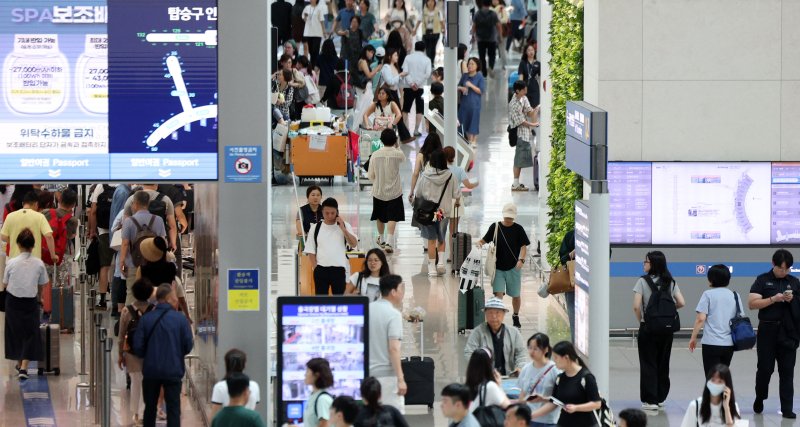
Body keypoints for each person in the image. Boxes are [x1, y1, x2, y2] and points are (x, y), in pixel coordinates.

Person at [748, 248, 800, 418]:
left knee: (787, 371)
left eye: (787, 269)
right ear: (773, 264)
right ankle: (760, 397)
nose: (783, 272)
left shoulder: (794, 282)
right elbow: (752, 304)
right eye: (780, 268)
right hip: (767, 330)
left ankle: (787, 407)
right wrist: (773, 299)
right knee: (765, 369)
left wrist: (793, 299)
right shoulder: (762, 280)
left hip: (788, 332)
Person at [133, 284, 193, 427]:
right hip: (173, 370)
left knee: (149, 408)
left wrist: (149, 356)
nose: (176, 300)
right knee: (173, 409)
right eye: (174, 297)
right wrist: (176, 354)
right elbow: (188, 345)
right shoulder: (180, 320)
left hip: (151, 370)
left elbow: (138, 347)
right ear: (168, 298)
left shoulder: (146, 319)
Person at [632, 250, 686, 411]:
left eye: (646, 261)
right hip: (666, 329)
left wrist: (643, 319)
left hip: (648, 328)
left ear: (653, 264)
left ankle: (650, 400)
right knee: (663, 362)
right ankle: (661, 397)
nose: (644, 264)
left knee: (648, 363)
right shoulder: (670, 282)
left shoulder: (642, 281)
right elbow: (681, 302)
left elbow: (636, 306)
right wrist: (665, 312)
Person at [2, 229, 48, 380]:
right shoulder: (39, 263)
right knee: (30, 333)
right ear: (33, 246)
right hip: (30, 301)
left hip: (12, 301)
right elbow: (42, 284)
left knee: (14, 332)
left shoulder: (11, 263)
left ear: (18, 245)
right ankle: (24, 367)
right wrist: (40, 298)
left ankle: (19, 363)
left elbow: (5, 284)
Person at [476, 203, 530, 328]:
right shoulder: (495, 227)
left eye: (510, 217)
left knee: (516, 295)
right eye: (507, 216)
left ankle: (515, 315)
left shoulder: (518, 229)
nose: (508, 219)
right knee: (498, 295)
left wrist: (521, 260)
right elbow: (484, 240)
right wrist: (478, 245)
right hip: (498, 268)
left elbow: (523, 247)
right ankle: (498, 319)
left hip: (514, 268)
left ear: (514, 216)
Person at [529, 341, 601, 427]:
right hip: (564, 423)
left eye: (556, 358)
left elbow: (597, 404)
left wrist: (576, 408)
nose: (554, 361)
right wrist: (531, 414)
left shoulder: (586, 377)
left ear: (566, 357)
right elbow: (554, 402)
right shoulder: (560, 378)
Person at [413, 150, 460, 277]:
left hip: (428, 212)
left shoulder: (425, 175)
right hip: (443, 213)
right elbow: (456, 194)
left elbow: (418, 194)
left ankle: (432, 269)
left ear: (432, 161)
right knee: (441, 238)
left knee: (431, 240)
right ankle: (441, 264)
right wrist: (456, 201)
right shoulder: (450, 176)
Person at [688, 264, 739, 376]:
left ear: (711, 279)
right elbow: (739, 317)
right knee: (722, 378)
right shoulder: (735, 295)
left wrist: (693, 338)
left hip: (711, 343)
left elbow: (701, 318)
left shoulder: (708, 294)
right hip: (729, 344)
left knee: (712, 378)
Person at [117, 279, 155, 425]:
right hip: (150, 352)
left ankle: (135, 414)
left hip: (131, 352)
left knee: (135, 382)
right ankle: (144, 411)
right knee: (147, 382)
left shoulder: (126, 311)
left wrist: (120, 355)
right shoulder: (154, 310)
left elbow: (121, 335)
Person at [303, 197, 358, 295]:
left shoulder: (345, 225)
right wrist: (316, 268)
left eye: (333, 213)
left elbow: (354, 244)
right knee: (321, 300)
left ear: (337, 212)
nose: (330, 216)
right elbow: (311, 251)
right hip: (321, 269)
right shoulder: (315, 228)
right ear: (322, 212)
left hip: (339, 269)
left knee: (339, 300)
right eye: (327, 213)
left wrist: (343, 229)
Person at [119, 191, 166, 304]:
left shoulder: (128, 221)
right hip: (154, 264)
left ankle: (132, 314)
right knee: (154, 295)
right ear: (147, 203)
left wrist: (122, 264)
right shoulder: (158, 220)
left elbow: (125, 244)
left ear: (135, 204)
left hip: (133, 264)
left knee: (131, 294)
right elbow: (163, 242)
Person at [368, 275, 407, 412]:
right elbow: (394, 348)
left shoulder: (367, 309)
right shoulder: (393, 314)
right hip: (387, 377)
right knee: (391, 416)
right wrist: (400, 379)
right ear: (393, 292)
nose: (402, 293)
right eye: (401, 289)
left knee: (371, 415)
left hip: (367, 375)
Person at [464, 297, 528, 376]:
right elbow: (469, 353)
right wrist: (480, 369)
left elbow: (521, 353)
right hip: (485, 377)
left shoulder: (514, 333)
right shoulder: (477, 332)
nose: (494, 316)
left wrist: (520, 367)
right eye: (490, 313)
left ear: (503, 314)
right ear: (485, 314)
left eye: (497, 312)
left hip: (509, 377)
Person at [368, 129, 406, 253]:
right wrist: (397, 145)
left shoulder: (375, 155)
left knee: (379, 216)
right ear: (395, 140)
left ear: (381, 140)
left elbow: (370, 175)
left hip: (379, 191)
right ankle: (389, 242)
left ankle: (382, 239)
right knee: (392, 216)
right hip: (394, 191)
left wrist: (376, 181)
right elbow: (403, 158)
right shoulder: (398, 154)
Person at [0, 191, 56, 262]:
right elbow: (49, 236)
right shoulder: (40, 217)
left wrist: (15, 241)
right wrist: (53, 255)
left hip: (14, 260)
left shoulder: (10, 216)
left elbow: (3, 237)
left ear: (23, 203)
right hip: (34, 260)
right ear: (36, 204)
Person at [518, 333, 559, 426]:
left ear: (546, 350)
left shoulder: (555, 370)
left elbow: (557, 400)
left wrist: (532, 415)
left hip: (547, 421)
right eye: (530, 348)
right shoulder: (526, 369)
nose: (532, 352)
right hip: (529, 420)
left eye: (536, 349)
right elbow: (523, 394)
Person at [210, 348, 262, 418]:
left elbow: (214, 415)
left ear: (226, 364)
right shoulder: (254, 386)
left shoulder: (219, 387)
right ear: (244, 365)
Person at [508, 80, 539, 191]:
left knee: (520, 159)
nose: (526, 91)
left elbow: (529, 112)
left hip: (525, 134)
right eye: (524, 89)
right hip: (519, 135)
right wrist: (534, 124)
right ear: (518, 91)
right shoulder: (513, 104)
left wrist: (535, 110)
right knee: (518, 159)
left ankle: (516, 183)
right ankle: (515, 184)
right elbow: (521, 122)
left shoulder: (523, 98)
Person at [443, 146, 478, 244]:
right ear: (454, 157)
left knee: (441, 230)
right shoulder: (459, 170)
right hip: (456, 202)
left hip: (442, 202)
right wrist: (477, 183)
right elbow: (468, 185)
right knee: (453, 231)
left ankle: (440, 251)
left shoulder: (440, 170)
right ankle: (452, 252)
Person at [379, 49, 413, 143]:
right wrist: (400, 75)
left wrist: (403, 77)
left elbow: (397, 82)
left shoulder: (394, 67)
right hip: (388, 94)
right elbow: (390, 82)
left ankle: (404, 137)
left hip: (393, 93)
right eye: (395, 55)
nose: (397, 57)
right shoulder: (386, 67)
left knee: (397, 115)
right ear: (390, 56)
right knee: (395, 115)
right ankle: (404, 137)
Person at [465, 348, 511, 412]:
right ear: (489, 366)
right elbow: (509, 407)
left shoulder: (466, 387)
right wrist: (498, 386)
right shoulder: (490, 386)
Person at [402, 41, 432, 137]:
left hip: (408, 87)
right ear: (424, 49)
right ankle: (416, 130)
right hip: (422, 87)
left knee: (405, 109)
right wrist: (418, 83)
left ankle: (404, 131)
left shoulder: (408, 58)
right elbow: (427, 74)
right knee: (420, 109)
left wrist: (411, 83)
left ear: (415, 48)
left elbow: (405, 72)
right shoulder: (427, 60)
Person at [353, 45, 383, 130]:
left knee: (367, 108)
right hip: (364, 89)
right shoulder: (363, 61)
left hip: (366, 88)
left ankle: (368, 126)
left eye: (372, 53)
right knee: (362, 108)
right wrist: (377, 68)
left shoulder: (365, 62)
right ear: (365, 51)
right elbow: (369, 75)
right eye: (370, 52)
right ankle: (355, 129)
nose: (371, 54)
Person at [408, 133, 443, 205]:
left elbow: (415, 174)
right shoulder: (441, 154)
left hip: (425, 186)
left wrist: (412, 191)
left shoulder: (421, 155)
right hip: (438, 186)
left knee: (425, 207)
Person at [458, 57, 486, 146]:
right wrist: (461, 88)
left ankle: (473, 141)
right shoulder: (465, 76)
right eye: (469, 64)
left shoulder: (479, 76)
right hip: (464, 104)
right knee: (462, 122)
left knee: (473, 122)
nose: (470, 65)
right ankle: (465, 140)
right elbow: (458, 86)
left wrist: (471, 85)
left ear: (477, 66)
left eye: (472, 64)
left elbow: (481, 91)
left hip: (475, 105)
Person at [472, 0, 502, 77]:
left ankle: (484, 72)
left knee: (482, 56)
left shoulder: (477, 14)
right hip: (491, 38)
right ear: (490, 4)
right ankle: (491, 67)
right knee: (492, 55)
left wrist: (473, 36)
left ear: (482, 3)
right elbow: (498, 25)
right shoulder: (493, 14)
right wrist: (500, 36)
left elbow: (474, 26)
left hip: (480, 39)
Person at [304, 357, 335, 427]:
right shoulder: (314, 396)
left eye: (307, 371)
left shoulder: (323, 399)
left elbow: (325, 425)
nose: (305, 374)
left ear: (317, 375)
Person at [557, 230, 576, 341]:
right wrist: (571, 254)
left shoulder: (599, 235)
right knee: (574, 318)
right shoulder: (571, 235)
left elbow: (607, 255)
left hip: (592, 285)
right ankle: (575, 345)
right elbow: (562, 258)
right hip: (572, 284)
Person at [317, 39, 342, 105]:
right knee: (331, 102)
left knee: (322, 103)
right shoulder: (336, 58)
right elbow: (338, 72)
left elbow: (316, 70)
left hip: (322, 83)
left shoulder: (320, 57)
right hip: (333, 83)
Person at [303, 0, 326, 67]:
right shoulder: (307, 7)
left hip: (317, 33)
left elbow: (322, 21)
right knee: (310, 50)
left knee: (315, 50)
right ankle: (312, 64)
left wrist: (324, 31)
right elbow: (304, 19)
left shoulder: (319, 8)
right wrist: (305, 16)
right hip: (308, 33)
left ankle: (313, 66)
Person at [517, 42, 540, 108]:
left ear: (534, 51)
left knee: (535, 108)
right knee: (525, 108)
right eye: (529, 50)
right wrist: (521, 89)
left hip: (534, 88)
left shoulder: (538, 63)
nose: (531, 52)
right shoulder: (523, 63)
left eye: (532, 50)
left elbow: (540, 77)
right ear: (526, 52)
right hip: (525, 88)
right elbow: (520, 77)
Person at [421, 0, 443, 65]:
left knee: (433, 48)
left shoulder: (438, 11)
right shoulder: (423, 11)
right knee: (427, 48)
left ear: (434, 3)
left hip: (435, 32)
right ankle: (429, 62)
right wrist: (415, 30)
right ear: (427, 2)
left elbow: (441, 21)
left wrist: (443, 29)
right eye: (429, 1)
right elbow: (419, 20)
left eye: (432, 1)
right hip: (426, 32)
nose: (430, 3)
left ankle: (431, 62)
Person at [491, 0, 510, 67]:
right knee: (491, 50)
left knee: (502, 49)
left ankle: (504, 65)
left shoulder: (502, 8)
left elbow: (505, 19)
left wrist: (497, 22)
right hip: (492, 32)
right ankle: (491, 65)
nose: (494, 1)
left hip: (502, 32)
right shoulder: (490, 8)